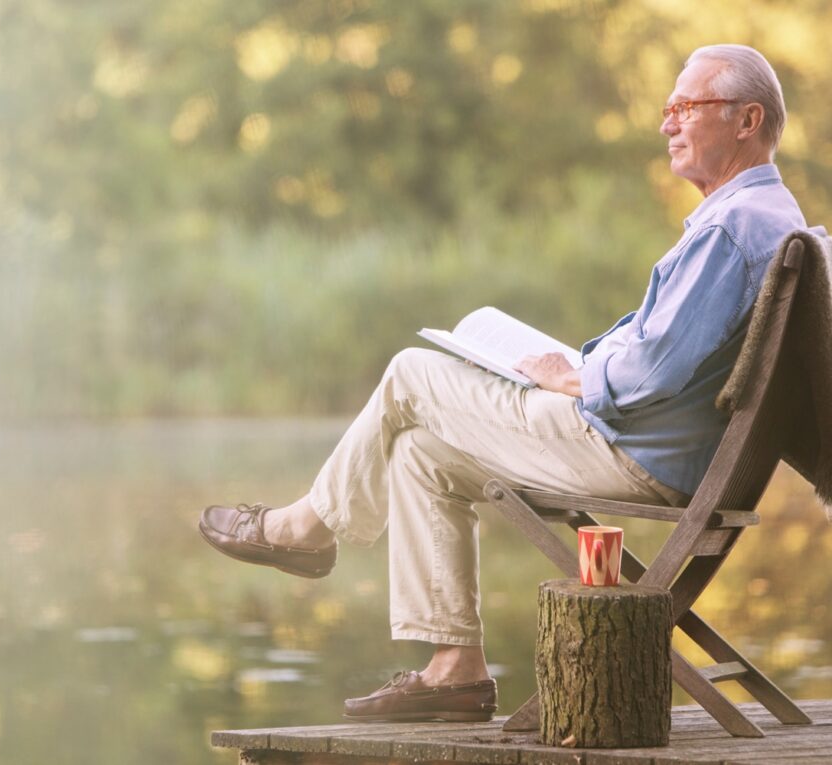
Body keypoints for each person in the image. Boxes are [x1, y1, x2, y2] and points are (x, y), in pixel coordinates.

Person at [199, 44, 821, 722]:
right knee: (421, 454)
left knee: (412, 373)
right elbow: (668, 356)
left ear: (746, 119)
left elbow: (654, 369)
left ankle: (303, 528)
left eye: (684, 107)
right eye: (667, 108)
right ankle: (454, 669)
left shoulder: (733, 230)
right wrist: (574, 371)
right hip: (658, 446)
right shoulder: (769, 219)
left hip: (633, 451)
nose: (667, 123)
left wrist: (575, 376)